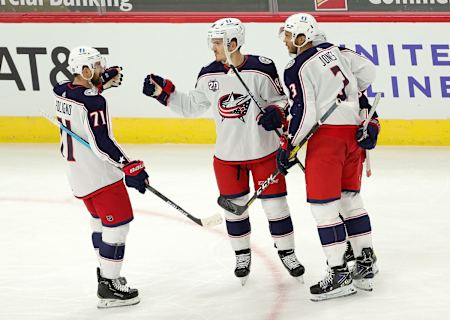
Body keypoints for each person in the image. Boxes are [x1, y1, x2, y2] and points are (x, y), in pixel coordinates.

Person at [142, 18, 305, 285]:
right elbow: (192, 106)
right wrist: (164, 94)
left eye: (218, 42)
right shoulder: (208, 73)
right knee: (234, 211)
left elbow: (282, 101)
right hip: (228, 158)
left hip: (264, 152)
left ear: (233, 42)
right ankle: (242, 255)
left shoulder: (261, 68)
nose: (213, 47)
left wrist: (276, 112)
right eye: (213, 42)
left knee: (276, 207)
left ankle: (287, 252)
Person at [277, 13, 379, 301]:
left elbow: (305, 110)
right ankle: (365, 262)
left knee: (324, 208)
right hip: (353, 135)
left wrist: (289, 144)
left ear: (301, 37)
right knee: (350, 200)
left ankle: (339, 274)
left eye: (288, 35)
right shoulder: (339, 51)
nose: (285, 40)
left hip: (328, 141)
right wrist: (364, 114)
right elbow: (368, 75)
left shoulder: (296, 65)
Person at [53, 46, 149, 308]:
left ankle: (104, 270)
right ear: (84, 70)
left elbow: (79, 98)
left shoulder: (60, 90)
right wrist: (130, 166)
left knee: (99, 222)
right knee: (118, 226)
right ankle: (109, 285)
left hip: (77, 175)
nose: (101, 71)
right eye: (95, 67)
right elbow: (102, 143)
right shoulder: (95, 102)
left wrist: (98, 85)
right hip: (101, 175)